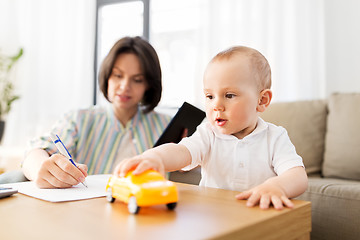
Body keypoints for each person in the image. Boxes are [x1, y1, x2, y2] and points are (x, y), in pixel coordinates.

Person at [115, 46, 308, 210]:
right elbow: (181, 151)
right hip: (214, 216)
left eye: (229, 95)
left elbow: (297, 176)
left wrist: (277, 187)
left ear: (262, 100)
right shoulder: (208, 134)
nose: (216, 105)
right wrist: (155, 158)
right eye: (209, 96)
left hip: (258, 216)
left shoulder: (274, 137)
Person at [21, 36, 171, 188]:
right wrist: (41, 168)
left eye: (137, 79)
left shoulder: (166, 125)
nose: (125, 86)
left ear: (149, 85)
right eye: (118, 75)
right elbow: (37, 150)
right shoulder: (80, 119)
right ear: (107, 76)